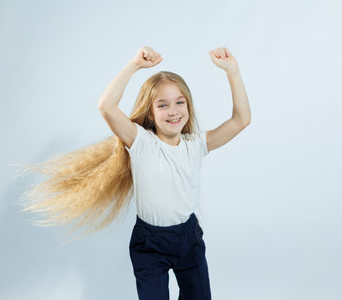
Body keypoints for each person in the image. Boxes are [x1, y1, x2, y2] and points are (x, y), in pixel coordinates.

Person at [17, 46, 251, 300]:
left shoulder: (196, 144)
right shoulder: (141, 142)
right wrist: (134, 65)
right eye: (162, 105)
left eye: (179, 102)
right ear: (150, 111)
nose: (173, 111)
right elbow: (106, 106)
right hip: (149, 243)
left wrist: (233, 71)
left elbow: (241, 120)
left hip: (188, 239)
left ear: (188, 105)